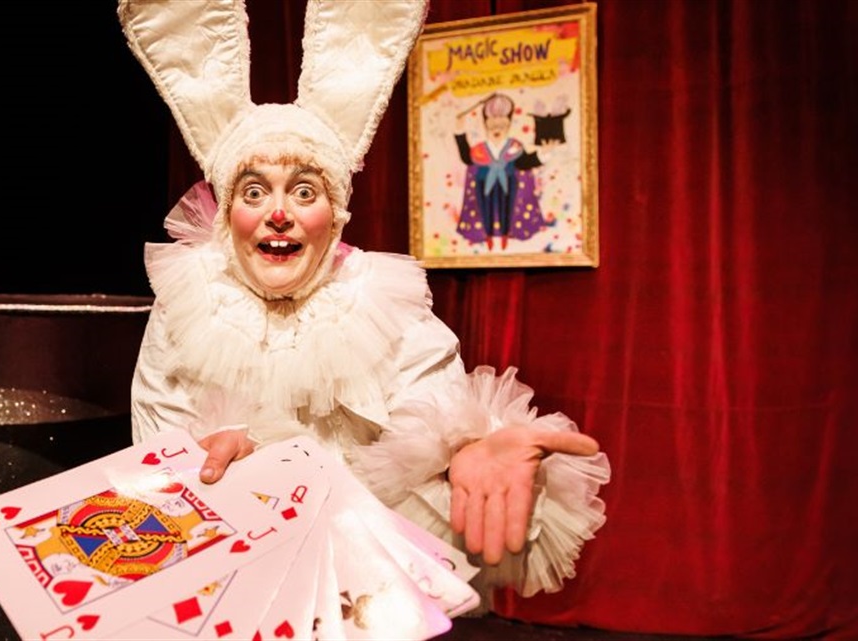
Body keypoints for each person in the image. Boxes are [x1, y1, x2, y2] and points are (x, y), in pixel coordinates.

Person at [118, 0, 609, 605]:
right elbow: (159, 463)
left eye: (303, 190)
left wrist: (471, 447)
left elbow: (440, 417)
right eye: (254, 191)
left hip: (362, 586)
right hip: (231, 586)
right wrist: (211, 469)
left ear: (336, 214)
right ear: (225, 215)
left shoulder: (381, 301)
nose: (279, 212)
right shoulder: (189, 308)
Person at [454, 92, 554, 252]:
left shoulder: (514, 146)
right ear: (486, 125)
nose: (497, 130)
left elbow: (525, 162)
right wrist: (460, 130)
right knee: (485, 210)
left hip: (509, 182)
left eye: (501, 126)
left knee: (507, 209)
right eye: (493, 126)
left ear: (508, 125)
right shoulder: (480, 149)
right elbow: (467, 157)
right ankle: (487, 236)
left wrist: (544, 153)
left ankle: (506, 234)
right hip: (483, 183)